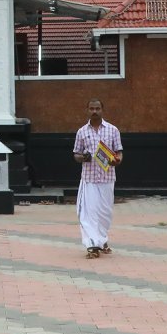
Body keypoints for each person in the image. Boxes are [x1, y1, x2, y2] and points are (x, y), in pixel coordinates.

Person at [72, 98, 123, 260]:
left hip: (107, 178)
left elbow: (119, 153)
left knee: (104, 214)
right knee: (88, 213)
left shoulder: (113, 130)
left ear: (102, 109)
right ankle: (92, 245)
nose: (94, 111)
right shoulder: (82, 132)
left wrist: (117, 160)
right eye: (91, 108)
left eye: (97, 108)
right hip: (89, 179)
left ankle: (102, 240)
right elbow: (76, 154)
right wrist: (82, 158)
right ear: (87, 110)